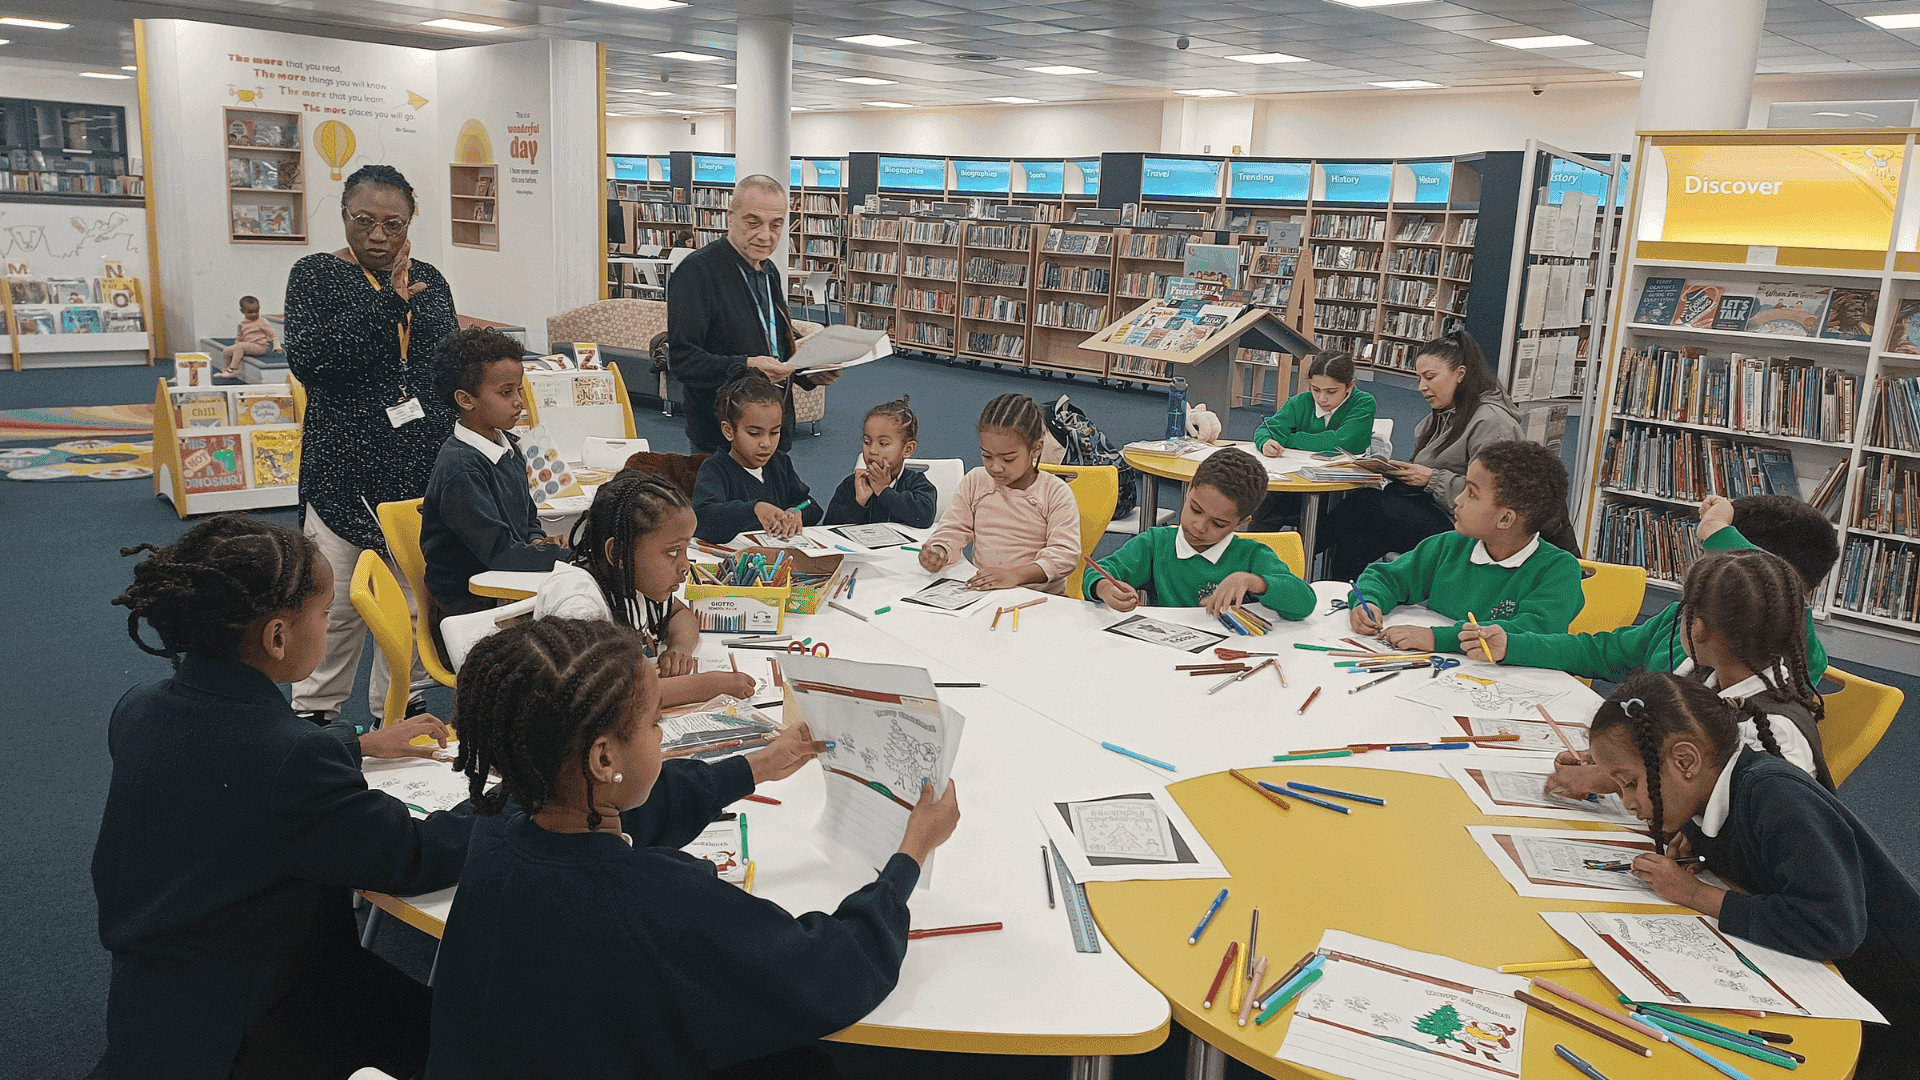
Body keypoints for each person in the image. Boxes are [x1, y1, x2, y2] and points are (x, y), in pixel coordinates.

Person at [425, 618, 962, 1079]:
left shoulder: (496, 827)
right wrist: (908, 856)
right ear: (604, 758)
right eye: (655, 723)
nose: (662, 737)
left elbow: (628, 808)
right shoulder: (656, 899)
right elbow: (830, 969)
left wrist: (755, 767)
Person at [91, 516, 470, 1080]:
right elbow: (408, 856)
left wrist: (358, 743)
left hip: (158, 1004)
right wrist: (511, 805)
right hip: (261, 1012)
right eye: (324, 614)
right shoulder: (292, 760)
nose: (328, 623)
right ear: (277, 637)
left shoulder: (139, 707)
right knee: (466, 1035)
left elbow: (232, 767)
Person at [1586, 674, 1918, 1076]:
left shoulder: (1775, 795)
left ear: (1686, 761)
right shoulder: (1709, 787)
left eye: (1630, 784)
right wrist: (1692, 835)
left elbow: (1833, 928)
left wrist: (1694, 894)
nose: (1627, 803)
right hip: (1821, 979)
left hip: (1891, 1010)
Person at [285, 163, 458, 723]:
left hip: (415, 468)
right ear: (343, 217)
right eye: (364, 221)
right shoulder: (314, 275)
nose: (379, 236)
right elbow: (314, 362)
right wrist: (389, 305)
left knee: (411, 606)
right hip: (342, 469)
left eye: (394, 224)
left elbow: (443, 366)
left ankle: (400, 710)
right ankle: (316, 716)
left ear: (411, 222)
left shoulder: (430, 279)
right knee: (331, 607)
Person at [1546, 546, 1836, 799]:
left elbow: (1762, 828)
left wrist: (1615, 780)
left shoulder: (1773, 731)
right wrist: (1618, 763)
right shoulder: (1697, 676)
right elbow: (1670, 756)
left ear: (1697, 628)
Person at [1460, 493, 1836, 684]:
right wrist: (1514, 644)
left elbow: (1776, 598)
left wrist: (1717, 531)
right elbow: (1607, 651)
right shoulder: (1686, 616)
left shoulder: (1794, 646)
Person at [536, 470, 758, 706]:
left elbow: (680, 613)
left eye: (685, 550)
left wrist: (680, 647)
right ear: (618, 553)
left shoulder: (630, 579)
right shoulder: (577, 602)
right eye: (673, 552)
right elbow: (605, 695)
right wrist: (710, 686)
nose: (685, 566)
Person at [1317, 329, 1522, 581]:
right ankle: (1334, 602)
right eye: (1419, 378)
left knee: (1367, 504)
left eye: (1430, 377)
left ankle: (1281, 563)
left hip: (1465, 529)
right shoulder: (1442, 416)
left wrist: (1431, 479)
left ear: (1460, 374)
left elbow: (1495, 498)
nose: (1422, 387)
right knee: (1356, 540)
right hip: (1434, 511)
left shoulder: (1491, 423)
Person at [1349, 440, 1583, 654]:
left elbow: (1526, 634)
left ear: (1505, 520)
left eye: (1472, 494)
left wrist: (1437, 638)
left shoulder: (1559, 570)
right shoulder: (1449, 545)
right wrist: (1368, 601)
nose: (1458, 500)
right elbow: (1386, 577)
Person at [420, 326, 568, 656]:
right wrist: (573, 558)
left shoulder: (508, 445)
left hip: (508, 593)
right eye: (505, 393)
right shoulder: (461, 469)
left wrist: (537, 542)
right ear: (465, 400)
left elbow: (528, 520)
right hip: (471, 615)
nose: (518, 401)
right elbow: (500, 553)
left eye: (519, 389)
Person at [667, 173, 839, 454]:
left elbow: (776, 350)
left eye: (776, 225)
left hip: (773, 432)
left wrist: (809, 373)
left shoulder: (769, 271)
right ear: (730, 216)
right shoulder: (697, 272)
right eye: (753, 222)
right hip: (722, 437)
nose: (765, 235)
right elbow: (683, 360)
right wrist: (747, 367)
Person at [1090, 448, 1315, 620]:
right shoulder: (1155, 544)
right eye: (1195, 509)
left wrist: (1255, 582)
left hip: (1229, 658)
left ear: (1241, 523)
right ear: (1188, 489)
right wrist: (1104, 587)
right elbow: (1096, 572)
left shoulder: (1252, 556)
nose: (1199, 526)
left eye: (1218, 523)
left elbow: (1304, 603)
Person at [921, 393, 1082, 594]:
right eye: (987, 456)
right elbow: (954, 527)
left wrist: (1016, 575)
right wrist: (940, 549)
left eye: (1008, 459)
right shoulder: (976, 481)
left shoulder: (1055, 493)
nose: (996, 467)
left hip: (1039, 598)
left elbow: (1065, 555)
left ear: (1036, 448)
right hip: (987, 591)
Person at [691, 375, 824, 544]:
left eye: (775, 432)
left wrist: (797, 513)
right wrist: (754, 510)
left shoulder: (780, 463)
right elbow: (703, 519)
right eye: (754, 433)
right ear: (729, 431)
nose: (766, 443)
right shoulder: (715, 469)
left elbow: (809, 504)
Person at [824, 395, 938, 529]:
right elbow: (829, 528)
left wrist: (883, 491)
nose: (872, 450)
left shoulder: (917, 484)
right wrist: (859, 503)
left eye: (883, 444)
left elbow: (924, 518)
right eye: (867, 442)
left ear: (908, 449)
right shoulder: (852, 484)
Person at [1253, 351, 1376, 456]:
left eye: (1331, 392)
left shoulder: (1363, 402)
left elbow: (1344, 443)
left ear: (1350, 386)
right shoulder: (1300, 402)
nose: (1321, 398)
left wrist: (1288, 439)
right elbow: (1267, 429)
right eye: (1315, 389)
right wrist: (1265, 442)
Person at [217, 294, 277, 379]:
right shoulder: (242, 323)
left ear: (259, 309)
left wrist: (276, 344)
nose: (253, 314)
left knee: (240, 347)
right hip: (248, 345)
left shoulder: (262, 321)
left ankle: (233, 370)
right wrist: (235, 345)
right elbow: (239, 337)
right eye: (250, 312)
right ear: (242, 311)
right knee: (226, 351)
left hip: (260, 347)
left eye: (256, 311)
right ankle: (226, 369)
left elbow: (272, 334)